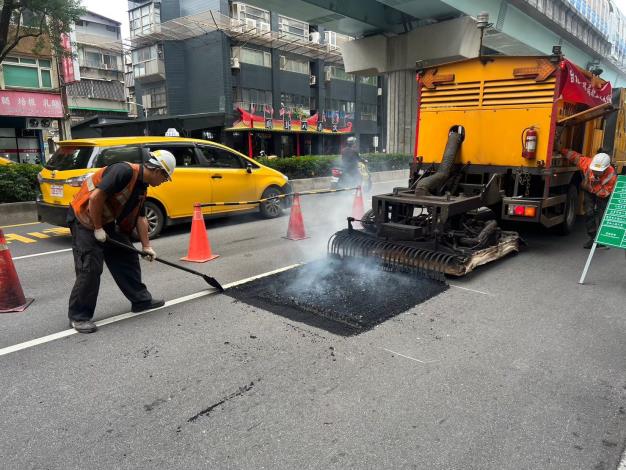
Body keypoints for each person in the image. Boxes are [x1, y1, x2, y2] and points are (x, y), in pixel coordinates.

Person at [66, 150, 176, 333]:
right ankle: (78, 316)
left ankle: (141, 300)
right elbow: (96, 197)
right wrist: (98, 228)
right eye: (165, 178)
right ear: (158, 171)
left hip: (104, 221)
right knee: (91, 267)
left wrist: (147, 246)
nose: (163, 182)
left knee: (127, 255)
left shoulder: (141, 187)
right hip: (84, 219)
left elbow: (141, 218)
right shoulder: (124, 171)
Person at [560, 148, 617, 249]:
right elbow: (574, 156)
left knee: (602, 214)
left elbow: (604, 193)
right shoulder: (587, 163)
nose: (595, 172)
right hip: (590, 189)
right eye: (594, 170)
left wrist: (590, 186)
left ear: (606, 169)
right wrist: (560, 149)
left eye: (598, 171)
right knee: (589, 212)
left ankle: (601, 240)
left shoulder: (611, 176)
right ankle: (593, 238)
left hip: (600, 193)